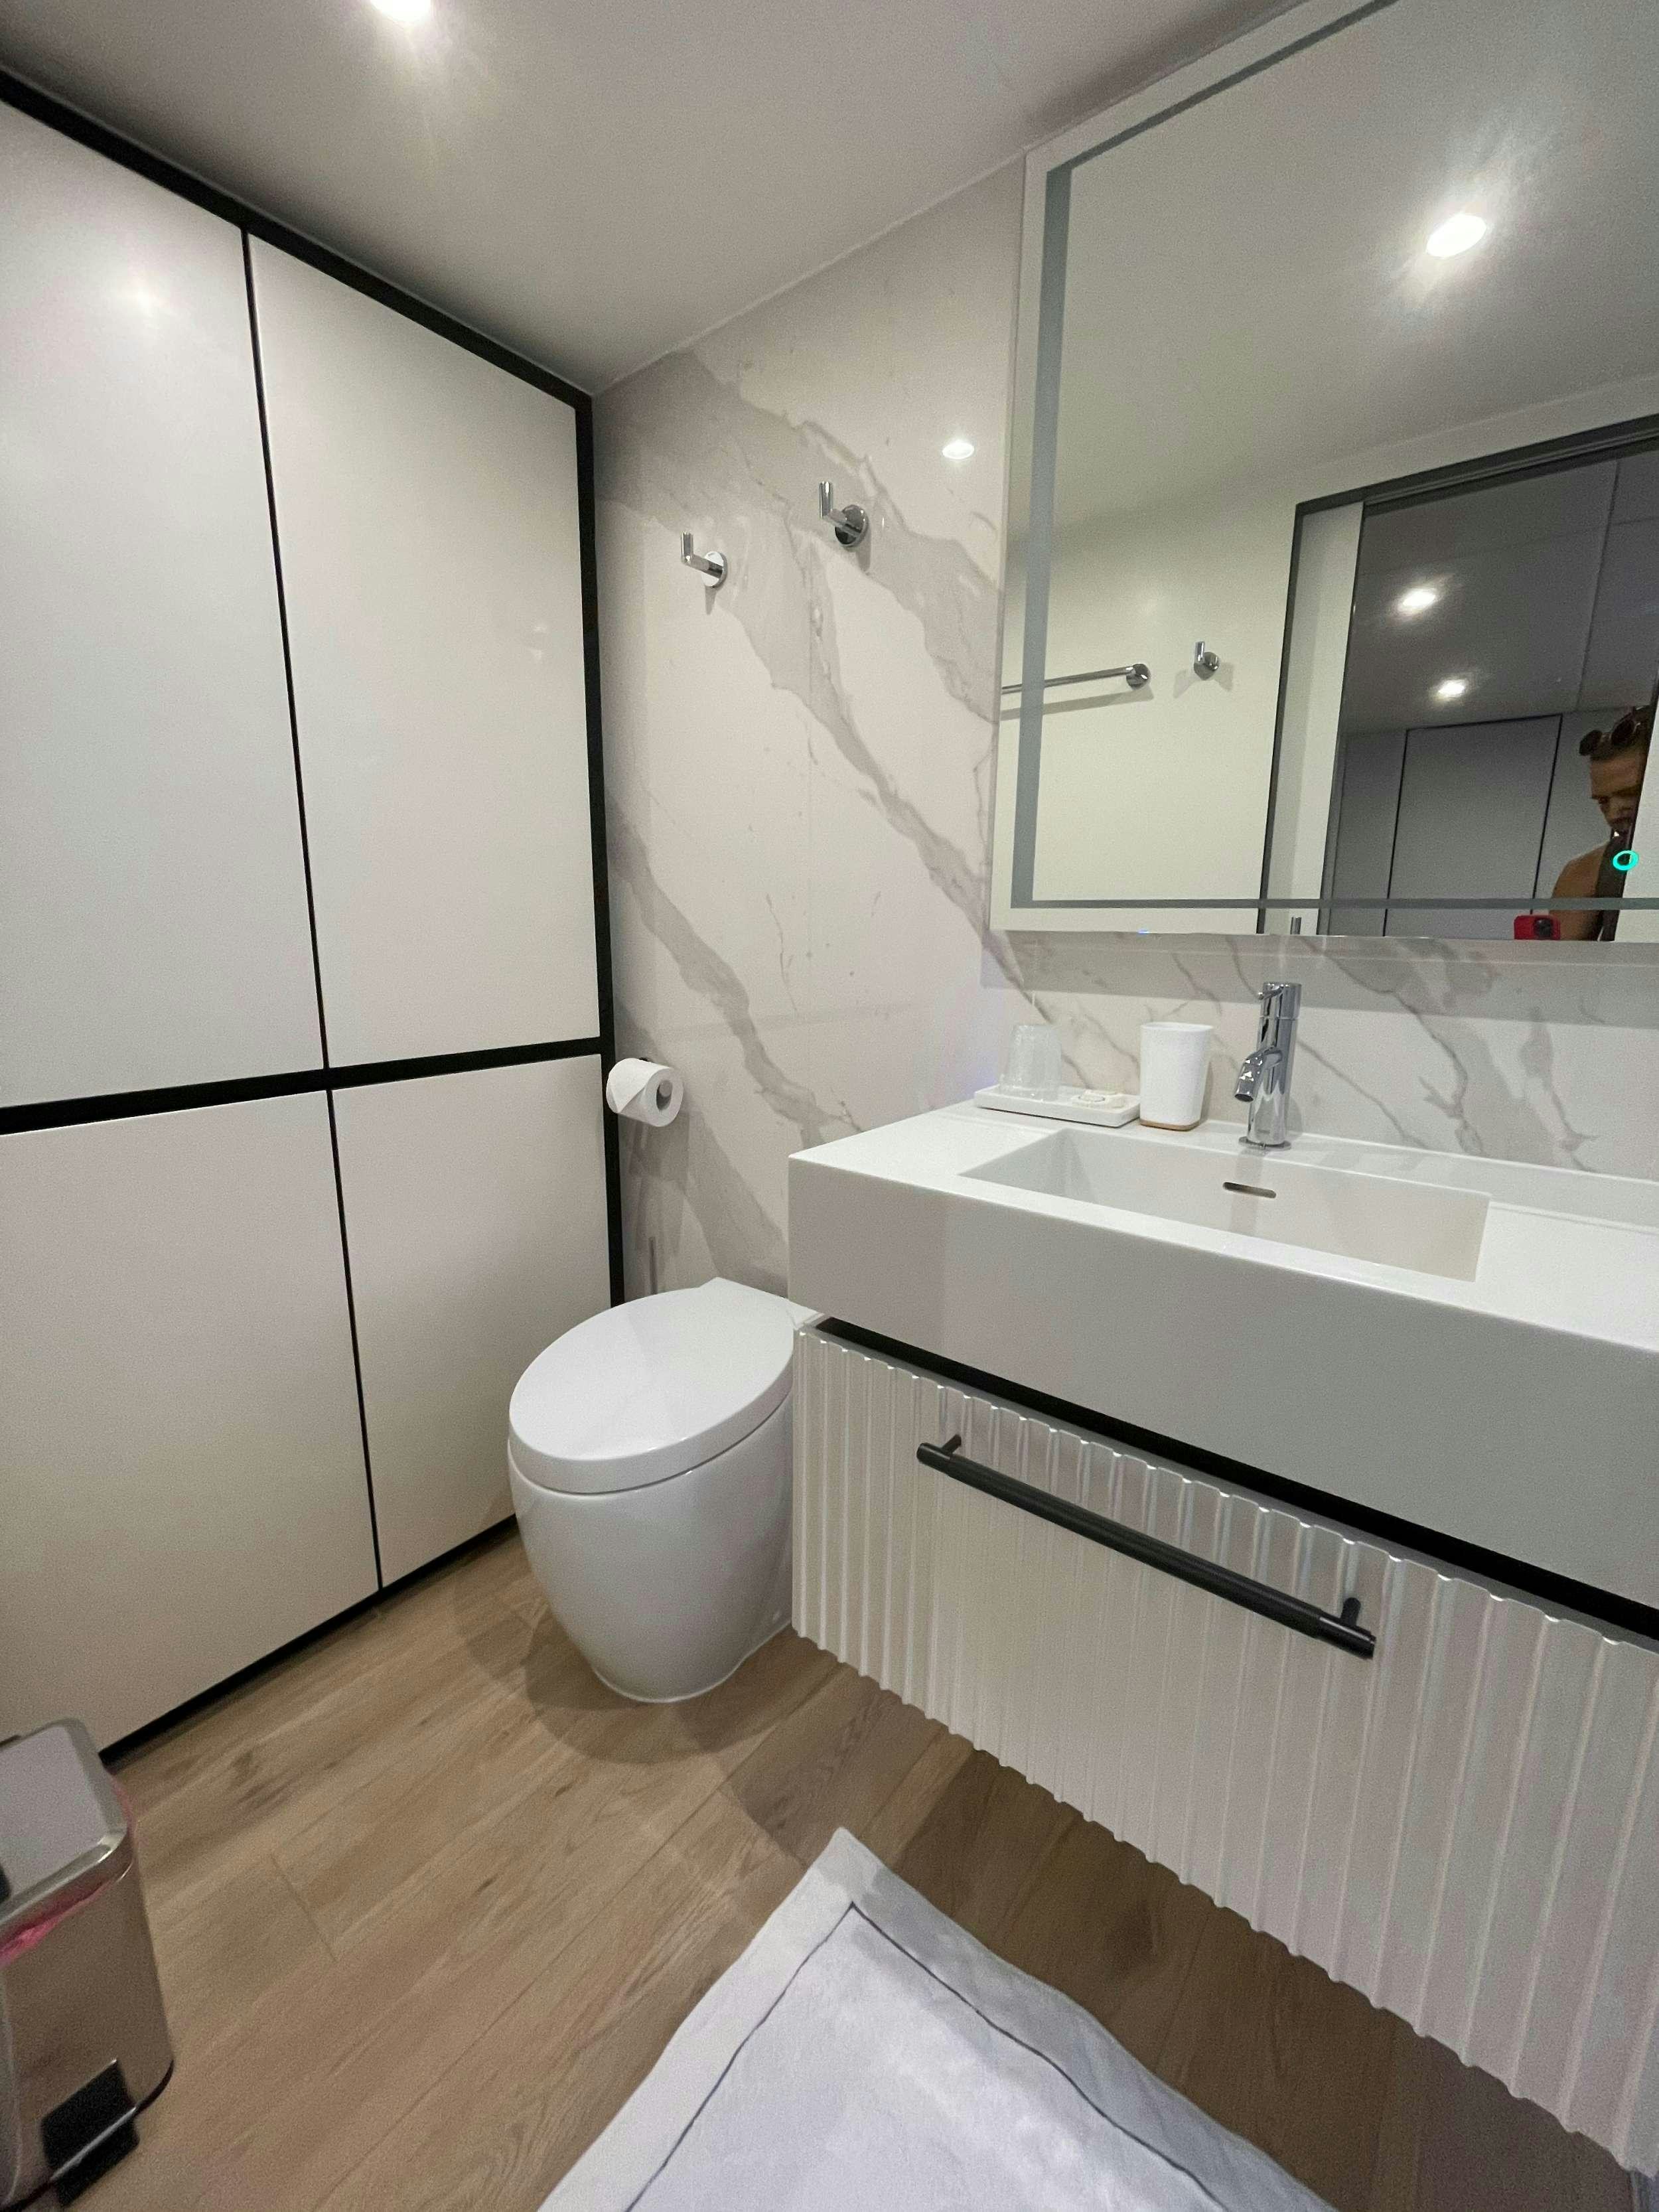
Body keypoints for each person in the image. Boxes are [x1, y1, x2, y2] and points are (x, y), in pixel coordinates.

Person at [1550, 703, 1651, 940]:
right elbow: (1559, 969)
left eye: (1631, 793)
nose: (1615, 813)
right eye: (1603, 801)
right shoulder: (1587, 872)